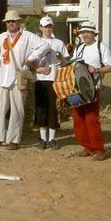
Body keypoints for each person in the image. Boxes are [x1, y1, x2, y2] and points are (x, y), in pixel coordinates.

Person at [0, 10, 49, 150]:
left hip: (18, 77)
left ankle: (14, 140)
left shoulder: (27, 36)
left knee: (17, 109)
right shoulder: (2, 36)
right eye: (8, 21)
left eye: (13, 21)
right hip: (2, 77)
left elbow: (45, 46)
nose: (11, 23)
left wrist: (31, 58)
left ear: (19, 22)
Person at [71, 22, 111, 161]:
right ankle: (87, 147)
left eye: (88, 32)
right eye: (83, 32)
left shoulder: (101, 47)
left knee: (91, 118)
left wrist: (96, 70)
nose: (85, 34)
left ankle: (99, 149)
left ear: (94, 33)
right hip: (77, 87)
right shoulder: (80, 47)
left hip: (93, 87)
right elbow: (73, 63)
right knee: (78, 117)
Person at [34, 16, 69, 150]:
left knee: (54, 109)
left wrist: (61, 58)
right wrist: (38, 69)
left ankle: (52, 138)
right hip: (40, 79)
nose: (48, 29)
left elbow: (66, 62)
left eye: (50, 26)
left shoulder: (58, 43)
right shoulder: (36, 42)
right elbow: (31, 61)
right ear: (41, 28)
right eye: (45, 26)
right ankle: (42, 138)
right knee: (41, 108)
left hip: (55, 79)